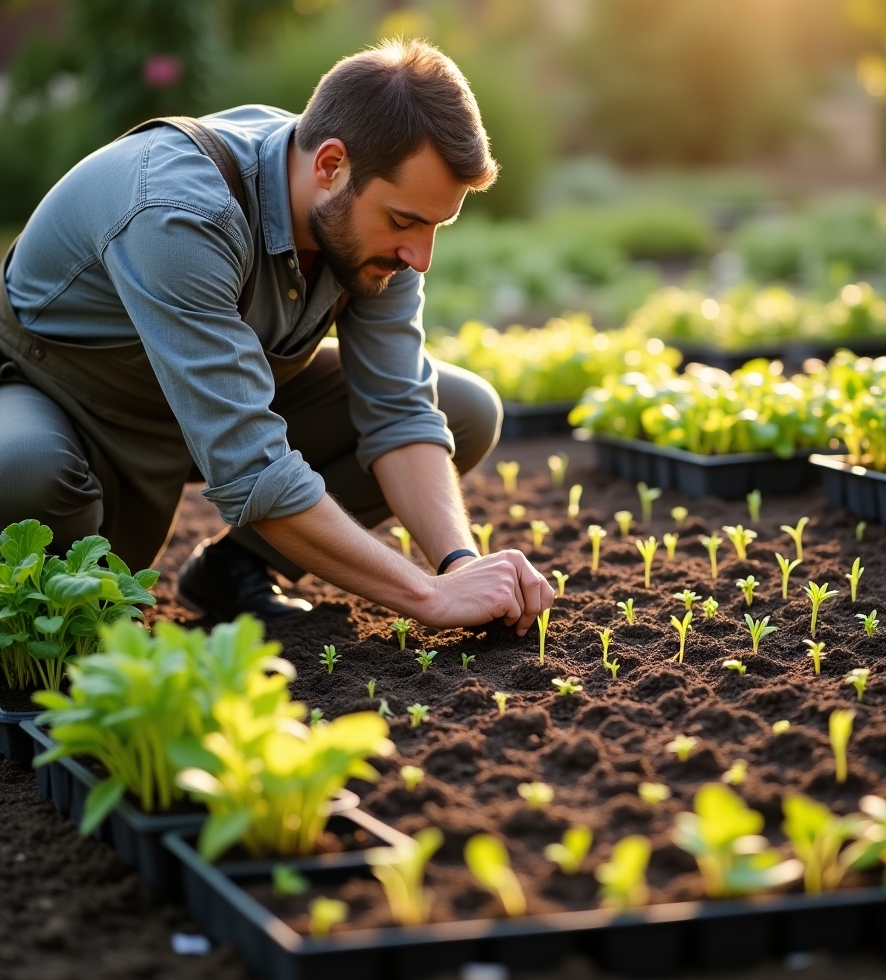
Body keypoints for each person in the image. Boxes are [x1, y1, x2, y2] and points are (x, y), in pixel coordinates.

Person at [0, 38, 553, 637]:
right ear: (330, 165)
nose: (419, 257)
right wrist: (428, 598)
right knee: (23, 469)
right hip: (69, 403)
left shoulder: (366, 219)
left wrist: (461, 567)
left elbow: (399, 412)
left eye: (435, 225)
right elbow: (251, 464)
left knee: (462, 409)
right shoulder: (179, 211)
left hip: (215, 400)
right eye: (404, 221)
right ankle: (66, 621)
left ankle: (234, 569)